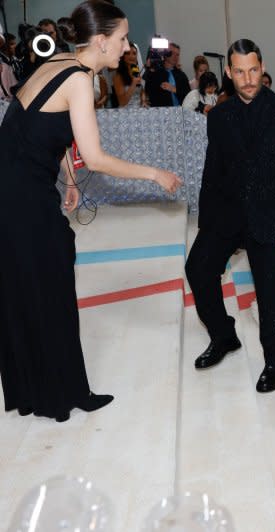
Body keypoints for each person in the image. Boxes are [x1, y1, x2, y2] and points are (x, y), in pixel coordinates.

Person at [0, 0, 181, 422]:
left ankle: (34, 388)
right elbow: (96, 158)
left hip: (16, 185)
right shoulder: (81, 80)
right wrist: (155, 174)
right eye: (121, 39)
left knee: (27, 285)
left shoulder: (62, 60)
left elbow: (40, 123)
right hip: (22, 193)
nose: (126, 48)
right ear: (100, 41)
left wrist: (65, 176)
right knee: (52, 284)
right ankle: (62, 394)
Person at [185, 38, 275, 393]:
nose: (247, 79)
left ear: (262, 69)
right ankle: (223, 336)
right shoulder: (220, 117)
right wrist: (206, 223)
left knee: (271, 293)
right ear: (228, 72)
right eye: (239, 72)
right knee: (197, 267)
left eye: (253, 70)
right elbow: (212, 171)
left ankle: (274, 359)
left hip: (272, 219)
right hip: (227, 214)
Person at [143, 41, 190, 107]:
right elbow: (148, 91)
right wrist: (150, 69)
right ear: (165, 53)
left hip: (179, 111)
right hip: (162, 112)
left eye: (177, 54)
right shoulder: (156, 73)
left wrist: (175, 89)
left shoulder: (181, 75)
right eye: (172, 53)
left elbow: (189, 95)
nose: (175, 56)